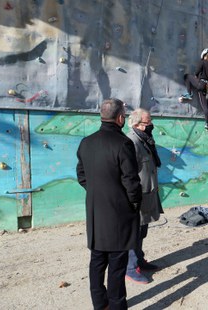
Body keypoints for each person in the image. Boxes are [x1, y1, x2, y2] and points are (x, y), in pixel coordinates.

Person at [76, 98, 142, 309]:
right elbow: (131, 181)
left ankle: (99, 304)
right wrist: (133, 203)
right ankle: (116, 306)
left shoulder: (86, 142)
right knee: (116, 264)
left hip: (95, 212)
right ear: (120, 118)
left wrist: (98, 191)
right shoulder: (123, 143)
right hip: (118, 213)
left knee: (97, 260)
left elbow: (81, 175)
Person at [125, 108, 164, 284]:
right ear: (137, 124)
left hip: (148, 193)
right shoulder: (132, 141)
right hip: (137, 196)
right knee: (134, 232)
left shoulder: (145, 140)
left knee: (142, 231)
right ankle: (131, 268)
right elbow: (127, 173)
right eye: (148, 122)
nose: (151, 125)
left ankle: (140, 260)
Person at [180, 48, 208, 129]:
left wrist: (197, 77)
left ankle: (190, 94)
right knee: (205, 106)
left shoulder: (203, 62)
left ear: (204, 56)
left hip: (201, 84)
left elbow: (197, 72)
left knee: (187, 76)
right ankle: (206, 123)